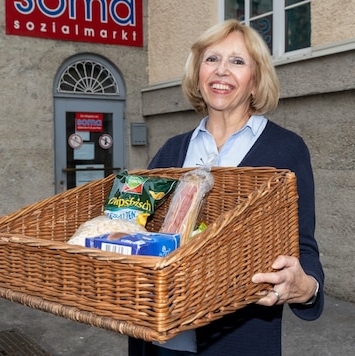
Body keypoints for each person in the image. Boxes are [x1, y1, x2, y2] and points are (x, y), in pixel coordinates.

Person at [128, 19, 324, 355]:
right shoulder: (171, 151)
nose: (222, 71)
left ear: (255, 81)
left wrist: (305, 288)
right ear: (198, 75)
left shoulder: (285, 150)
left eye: (237, 61)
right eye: (211, 59)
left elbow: (302, 245)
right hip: (161, 342)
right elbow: (140, 234)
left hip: (240, 340)